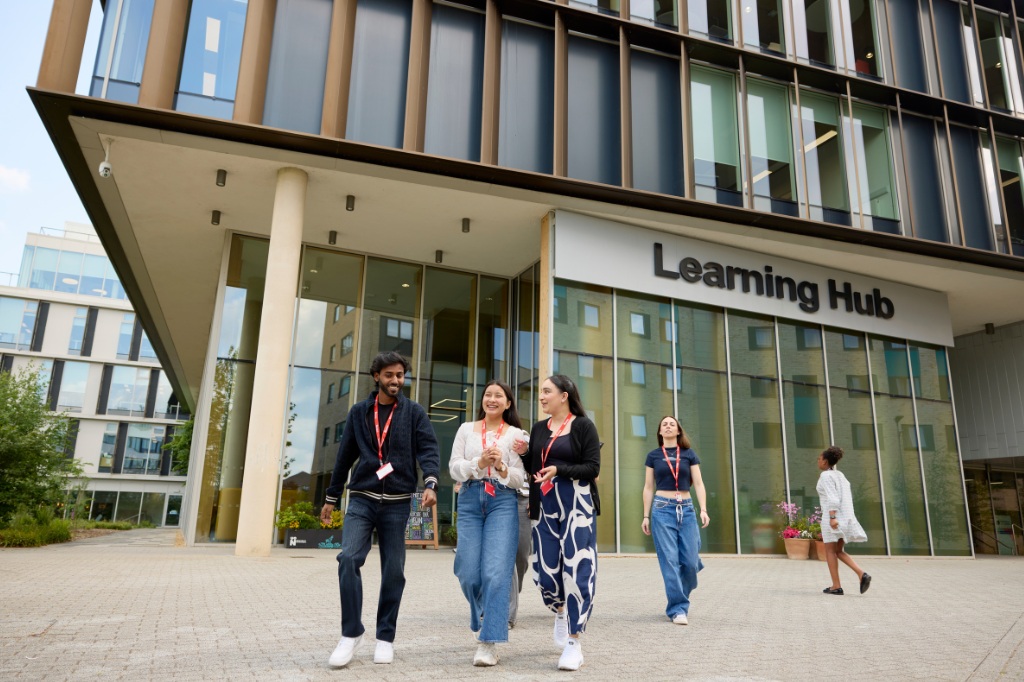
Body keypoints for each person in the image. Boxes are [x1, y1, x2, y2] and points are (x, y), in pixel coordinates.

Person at [320, 351, 440, 668]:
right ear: (376, 376)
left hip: (398, 503)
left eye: (400, 375)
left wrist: (430, 483)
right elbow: (344, 457)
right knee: (347, 558)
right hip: (362, 497)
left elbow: (428, 449)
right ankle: (351, 633)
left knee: (394, 571)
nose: (396, 380)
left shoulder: (414, 412)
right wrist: (331, 498)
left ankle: (385, 637)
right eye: (389, 375)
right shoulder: (360, 413)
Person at [449, 381, 530, 666]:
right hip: (471, 498)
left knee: (497, 573)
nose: (492, 399)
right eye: (488, 395)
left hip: (503, 501)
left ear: (508, 403)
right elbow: (453, 467)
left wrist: (502, 467)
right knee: (468, 571)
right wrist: (478, 462)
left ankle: (489, 641)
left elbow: (522, 477)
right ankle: (484, 614)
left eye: (499, 396)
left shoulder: (518, 436)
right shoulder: (465, 429)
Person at [526, 374, 601, 671]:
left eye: (546, 391)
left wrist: (560, 469)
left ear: (564, 395)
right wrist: (523, 456)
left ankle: (574, 640)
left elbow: (592, 467)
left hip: (577, 505)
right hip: (545, 505)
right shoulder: (538, 429)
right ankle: (559, 609)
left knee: (577, 569)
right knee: (546, 572)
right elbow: (534, 468)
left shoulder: (583, 426)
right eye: (541, 392)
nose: (541, 396)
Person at [641, 416, 710, 625]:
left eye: (672, 424)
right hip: (662, 509)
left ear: (679, 431)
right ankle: (678, 608)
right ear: (660, 432)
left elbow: (698, 483)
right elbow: (648, 487)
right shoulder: (653, 456)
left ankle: (680, 593)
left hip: (687, 509)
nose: (668, 426)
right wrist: (645, 515)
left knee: (689, 562)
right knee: (669, 561)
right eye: (664, 424)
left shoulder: (689, 454)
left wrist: (704, 510)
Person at [816, 445, 871, 596]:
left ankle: (836, 586)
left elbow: (832, 498)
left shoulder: (826, 476)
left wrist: (832, 517)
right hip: (845, 517)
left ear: (826, 462)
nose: (818, 461)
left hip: (832, 517)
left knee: (829, 552)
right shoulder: (840, 475)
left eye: (820, 458)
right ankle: (862, 574)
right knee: (838, 551)